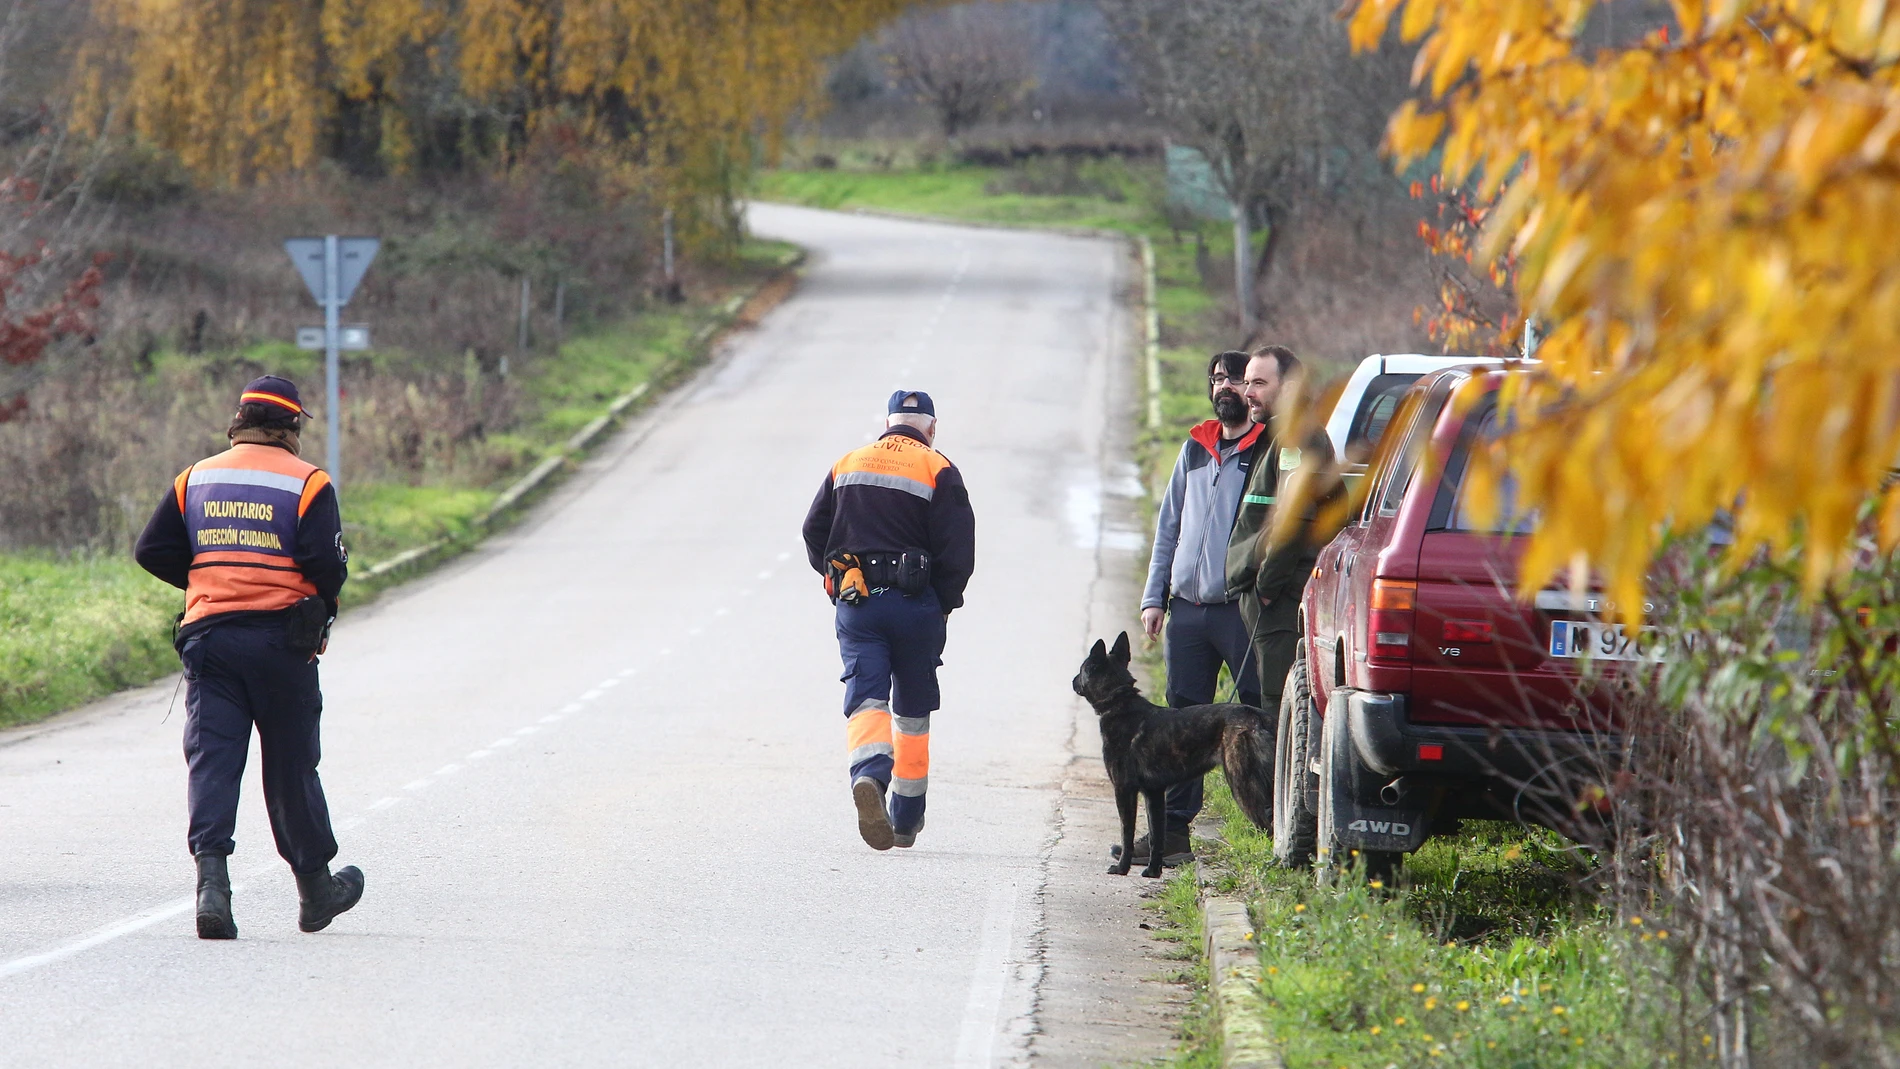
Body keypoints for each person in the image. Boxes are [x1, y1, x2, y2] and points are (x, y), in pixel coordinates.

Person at [134, 375, 364, 940]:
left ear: (239, 422)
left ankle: (212, 888)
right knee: (290, 765)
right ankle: (315, 892)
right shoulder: (308, 482)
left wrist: (211, 582)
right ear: (290, 427)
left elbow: (152, 549)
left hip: (210, 640)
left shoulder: (196, 477)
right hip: (282, 645)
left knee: (213, 759)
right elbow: (326, 566)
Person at [802, 390, 976, 851]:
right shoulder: (938, 468)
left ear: (885, 423)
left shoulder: (849, 462)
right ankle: (905, 817)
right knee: (913, 711)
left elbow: (813, 529)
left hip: (858, 602)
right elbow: (959, 550)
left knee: (866, 697)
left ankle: (869, 778)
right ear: (932, 428)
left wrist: (834, 576)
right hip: (917, 604)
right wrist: (944, 603)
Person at [1121, 350, 1266, 869]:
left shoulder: (1266, 450)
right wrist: (1155, 597)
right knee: (1179, 724)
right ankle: (1172, 836)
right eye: (1218, 378)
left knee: (1256, 713)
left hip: (1239, 609)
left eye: (1236, 378)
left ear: (1252, 390)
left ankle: (1273, 826)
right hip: (1187, 611)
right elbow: (1169, 526)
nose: (1225, 386)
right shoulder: (1196, 447)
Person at [1226, 345, 1335, 717]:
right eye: (1246, 382)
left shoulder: (1298, 438)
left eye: (1258, 382)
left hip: (1282, 602)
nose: (1247, 393)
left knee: (1279, 712)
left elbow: (1294, 521)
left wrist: (1266, 590)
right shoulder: (1277, 436)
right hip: (1273, 601)